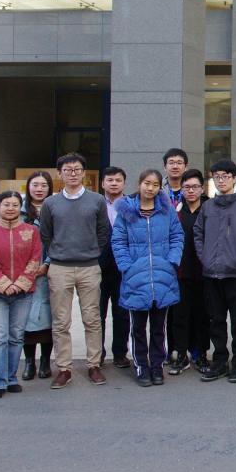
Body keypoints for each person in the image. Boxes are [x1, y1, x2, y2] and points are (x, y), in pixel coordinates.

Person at [40, 153, 111, 389]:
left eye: (77, 169)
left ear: (83, 173)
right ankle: (64, 368)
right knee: (61, 321)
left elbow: (103, 231)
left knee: (92, 319)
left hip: (89, 267)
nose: (73, 174)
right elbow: (46, 234)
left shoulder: (96, 200)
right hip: (60, 267)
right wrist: (57, 252)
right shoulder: (51, 203)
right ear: (59, 173)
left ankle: (94, 365)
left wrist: (93, 251)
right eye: (68, 170)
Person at [110, 169, 184, 387]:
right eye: (147, 183)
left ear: (160, 187)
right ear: (139, 183)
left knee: (159, 327)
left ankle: (157, 366)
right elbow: (118, 241)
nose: (150, 188)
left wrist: (172, 261)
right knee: (138, 328)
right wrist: (126, 266)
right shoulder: (126, 212)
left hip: (163, 276)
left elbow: (177, 236)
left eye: (155, 185)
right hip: (135, 277)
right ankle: (142, 366)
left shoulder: (166, 211)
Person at [194, 159, 236, 384]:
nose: (221, 181)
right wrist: (204, 257)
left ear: (235, 178)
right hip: (211, 274)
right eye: (217, 177)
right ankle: (220, 361)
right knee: (216, 321)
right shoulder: (208, 207)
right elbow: (198, 234)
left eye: (226, 176)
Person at [0, 191, 41, 399]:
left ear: (20, 207)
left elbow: (35, 259)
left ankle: (11, 378)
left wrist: (20, 283)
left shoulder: (31, 231)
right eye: (6, 204)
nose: (10, 208)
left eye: (15, 205)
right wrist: (5, 284)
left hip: (23, 294)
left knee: (16, 337)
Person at [171, 168, 210, 375]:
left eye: (195, 187)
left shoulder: (209, 209)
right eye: (187, 187)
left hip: (205, 273)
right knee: (180, 316)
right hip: (180, 273)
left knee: (202, 316)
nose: (191, 191)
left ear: (202, 189)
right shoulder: (176, 211)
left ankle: (201, 354)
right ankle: (181, 354)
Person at [21, 170, 53, 381]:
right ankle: (29, 362)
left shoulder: (55, 208)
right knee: (26, 317)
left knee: (49, 316)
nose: (39, 189)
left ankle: (45, 361)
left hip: (50, 270)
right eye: (35, 185)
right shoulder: (19, 210)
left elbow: (60, 239)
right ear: (28, 187)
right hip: (24, 273)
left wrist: (47, 264)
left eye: (43, 185)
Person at [99, 166, 131, 370]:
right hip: (98, 267)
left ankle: (120, 353)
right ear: (102, 183)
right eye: (109, 180)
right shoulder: (95, 204)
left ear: (124, 184)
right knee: (97, 313)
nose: (113, 183)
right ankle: (98, 353)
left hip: (124, 267)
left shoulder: (131, 205)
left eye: (118, 180)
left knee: (122, 312)